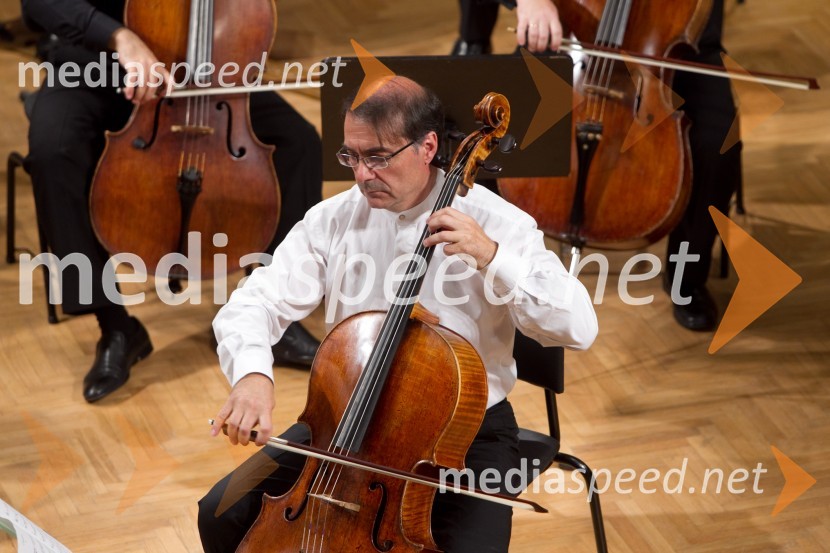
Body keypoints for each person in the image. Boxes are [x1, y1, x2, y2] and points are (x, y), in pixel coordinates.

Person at [198, 77, 598, 552]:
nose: (363, 174)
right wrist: (251, 375)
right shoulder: (334, 219)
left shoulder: (497, 223)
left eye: (379, 157)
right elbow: (255, 299)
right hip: (340, 421)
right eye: (352, 156)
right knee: (222, 510)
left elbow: (579, 326)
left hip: (464, 435)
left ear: (428, 146)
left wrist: (493, 257)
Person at [20, 0, 323, 403]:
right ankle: (115, 326)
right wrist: (119, 36)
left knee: (299, 142)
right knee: (52, 153)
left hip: (206, 68)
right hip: (91, 62)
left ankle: (272, 315)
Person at [452, 0, 742, 331]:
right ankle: (487, 262)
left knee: (717, 144)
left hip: (669, 41)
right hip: (570, 32)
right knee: (491, 127)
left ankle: (686, 279)